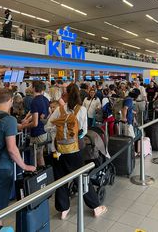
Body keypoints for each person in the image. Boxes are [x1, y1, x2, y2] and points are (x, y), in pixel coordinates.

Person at [45, 84, 107, 219]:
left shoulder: (59, 110)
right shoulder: (82, 110)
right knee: (82, 177)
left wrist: (58, 132)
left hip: (57, 150)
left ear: (65, 95)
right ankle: (95, 207)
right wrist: (74, 137)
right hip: (74, 150)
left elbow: (47, 127)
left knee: (61, 180)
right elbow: (84, 131)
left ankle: (63, 209)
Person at [0, 89, 35, 227]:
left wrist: (23, 123)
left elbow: (17, 126)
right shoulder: (8, 119)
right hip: (2, 169)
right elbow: (11, 149)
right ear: (10, 101)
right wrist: (24, 166)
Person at [20, 81, 49, 166]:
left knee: (36, 156)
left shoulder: (35, 101)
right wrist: (27, 119)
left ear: (33, 88)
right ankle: (43, 173)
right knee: (40, 155)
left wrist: (23, 126)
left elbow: (35, 123)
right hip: (44, 131)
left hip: (37, 133)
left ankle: (36, 174)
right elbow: (36, 114)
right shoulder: (45, 99)